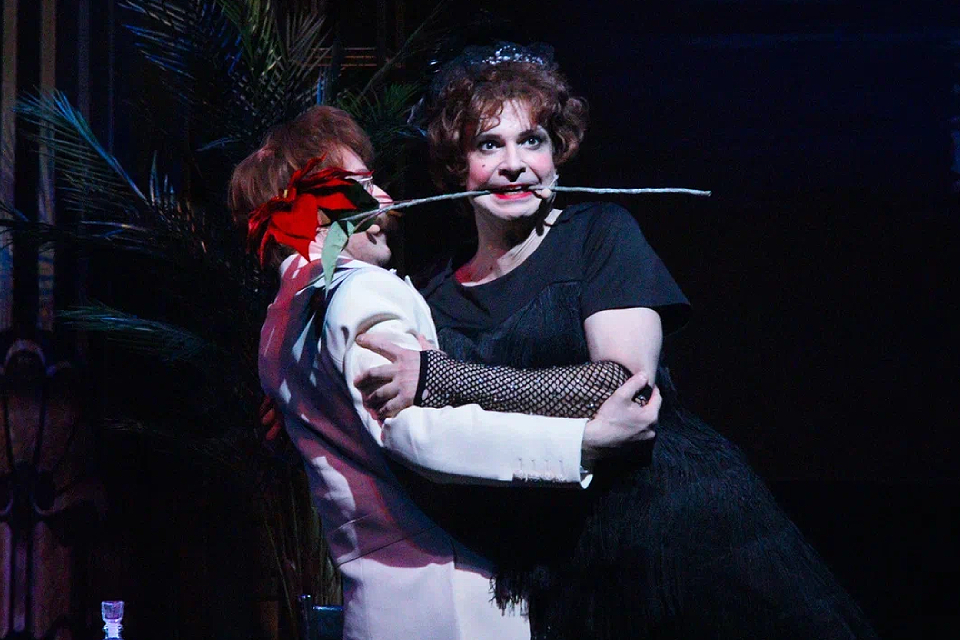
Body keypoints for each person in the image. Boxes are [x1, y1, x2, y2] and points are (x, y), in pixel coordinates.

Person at [358, 42, 879, 639]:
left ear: (556, 157)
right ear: (458, 167)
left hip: (677, 535)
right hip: (558, 564)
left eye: (532, 141)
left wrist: (445, 377)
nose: (514, 164)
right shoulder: (432, 293)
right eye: (488, 145)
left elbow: (621, 384)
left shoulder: (599, 236)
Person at [229, 105, 664, 640]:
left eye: (531, 141)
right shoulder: (362, 289)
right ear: (312, 211)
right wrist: (583, 443)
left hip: (381, 603)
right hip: (447, 598)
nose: (384, 200)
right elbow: (415, 433)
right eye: (360, 187)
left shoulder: (279, 323)